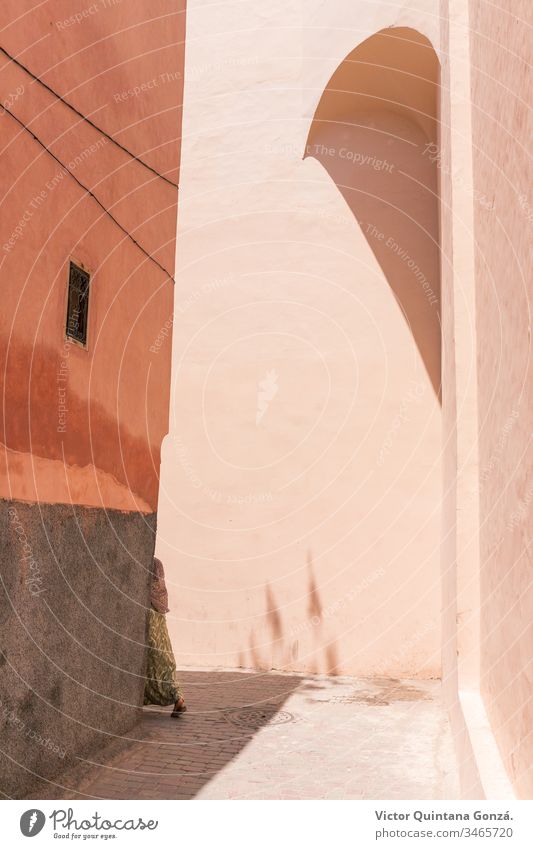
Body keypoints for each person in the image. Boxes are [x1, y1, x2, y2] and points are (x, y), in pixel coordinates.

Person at [144, 556, 186, 717]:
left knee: (154, 660)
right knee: (164, 658)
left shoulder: (147, 562)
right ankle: (178, 696)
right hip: (159, 617)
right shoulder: (157, 563)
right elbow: (160, 590)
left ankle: (176, 696)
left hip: (149, 616)